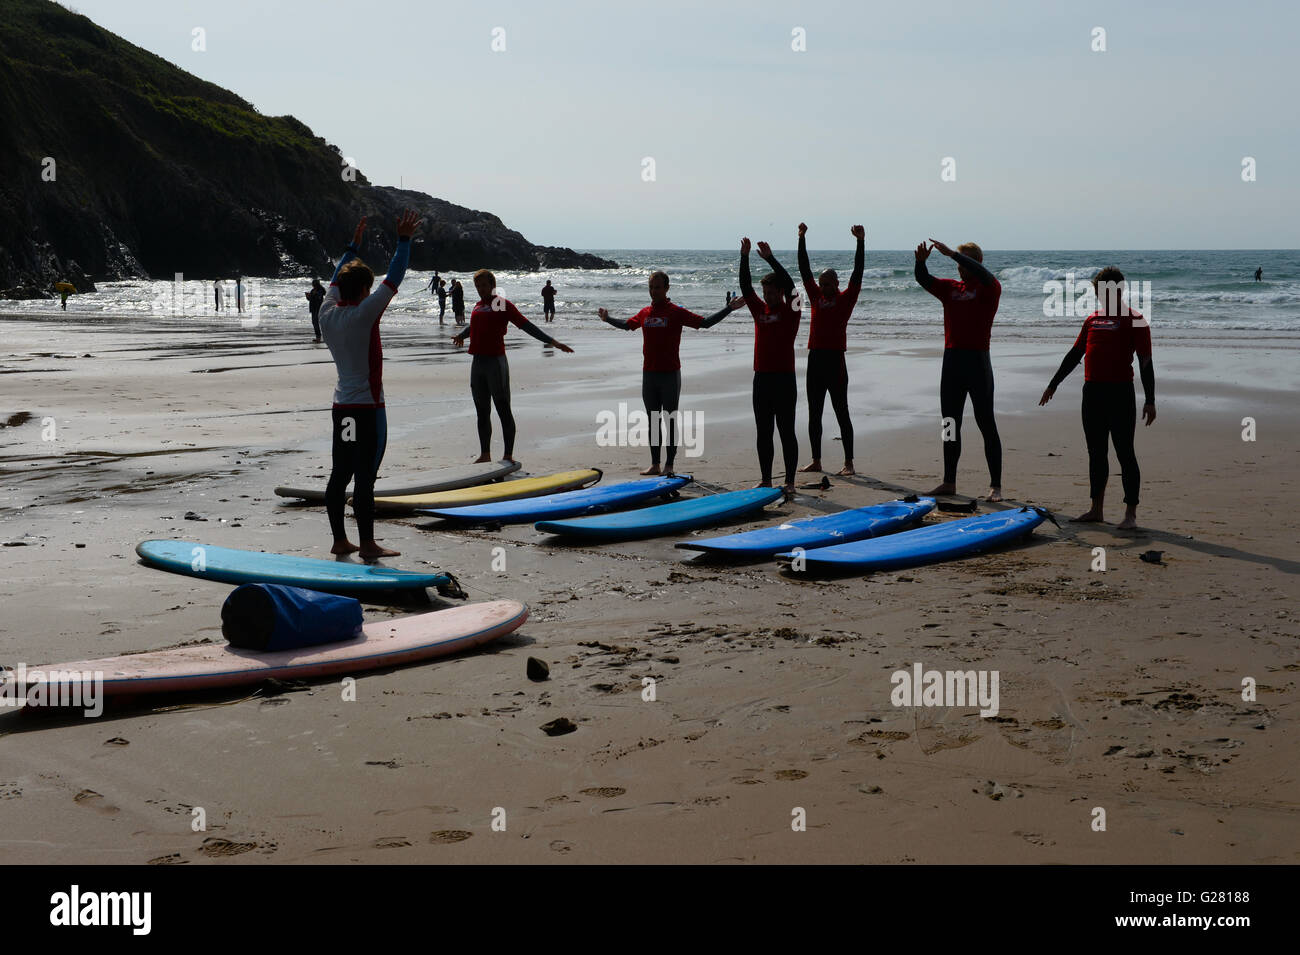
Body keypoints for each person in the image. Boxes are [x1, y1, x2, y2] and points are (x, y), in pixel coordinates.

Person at [318, 210, 420, 558]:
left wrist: (351, 247)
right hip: (368, 410)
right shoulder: (364, 313)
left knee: (339, 473)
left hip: (341, 409)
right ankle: (368, 545)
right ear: (363, 290)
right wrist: (403, 240)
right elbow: (394, 278)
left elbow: (335, 280)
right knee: (365, 477)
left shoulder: (326, 313)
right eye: (369, 287)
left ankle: (338, 540)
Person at [1039, 266, 1155, 530]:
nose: (1102, 296)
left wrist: (1150, 399)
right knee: (1096, 452)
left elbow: (1146, 362)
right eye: (1099, 291)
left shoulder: (1135, 320)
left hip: (1120, 393)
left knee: (1125, 453)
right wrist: (1053, 384)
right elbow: (1074, 355)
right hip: (1092, 392)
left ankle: (1130, 513)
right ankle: (1096, 509)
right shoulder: (1092, 320)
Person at [598, 272, 742, 475]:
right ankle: (655, 464)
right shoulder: (645, 312)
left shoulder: (676, 312)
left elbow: (705, 323)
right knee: (653, 420)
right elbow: (627, 326)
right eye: (651, 287)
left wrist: (729, 308)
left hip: (670, 375)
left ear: (666, 288)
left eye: (657, 287)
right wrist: (607, 318)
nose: (654, 291)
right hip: (649, 375)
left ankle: (669, 465)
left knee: (670, 419)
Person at [914, 237, 1003, 502]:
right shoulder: (951, 288)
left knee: (986, 423)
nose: (959, 268)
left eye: (964, 263)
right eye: (958, 264)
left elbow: (985, 276)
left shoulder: (990, 288)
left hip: (978, 363)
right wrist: (920, 262)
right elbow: (924, 279)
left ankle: (996, 485)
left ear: (976, 263)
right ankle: (949, 481)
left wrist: (953, 254)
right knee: (950, 423)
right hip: (952, 362)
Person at [451, 270, 573, 463]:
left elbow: (526, 325)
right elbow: (474, 327)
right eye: (477, 286)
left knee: (503, 408)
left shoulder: (501, 305)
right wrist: (461, 336)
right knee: (482, 411)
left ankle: (508, 455)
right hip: (478, 363)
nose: (480, 289)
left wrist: (553, 342)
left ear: (492, 285)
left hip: (495, 362)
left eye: (483, 285)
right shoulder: (477, 305)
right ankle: (485, 454)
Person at [734, 238, 801, 494]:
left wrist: (770, 258)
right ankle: (766, 479)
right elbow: (745, 286)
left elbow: (793, 285)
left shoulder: (793, 310)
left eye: (772, 293)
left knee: (786, 431)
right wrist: (744, 256)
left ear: (780, 293)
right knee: (764, 431)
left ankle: (790, 482)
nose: (768, 297)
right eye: (765, 293)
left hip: (784, 378)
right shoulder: (759, 310)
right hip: (761, 378)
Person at [797, 222, 865, 476]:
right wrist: (802, 238)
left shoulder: (846, 298)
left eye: (828, 283)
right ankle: (816, 460)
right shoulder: (815, 297)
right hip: (815, 358)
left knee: (841, 411)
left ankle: (849, 463)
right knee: (814, 413)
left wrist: (860, 242)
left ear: (837, 283)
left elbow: (858, 273)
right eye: (822, 283)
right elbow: (804, 269)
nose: (824, 287)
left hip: (836, 360)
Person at [305, 278, 325, 342]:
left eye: (313, 283)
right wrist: (307, 296)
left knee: (316, 322)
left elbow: (318, 298)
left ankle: (319, 338)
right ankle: (318, 337)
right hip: (313, 308)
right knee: (314, 322)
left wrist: (312, 295)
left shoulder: (320, 290)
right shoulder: (313, 290)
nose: (312, 285)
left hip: (318, 308)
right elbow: (310, 299)